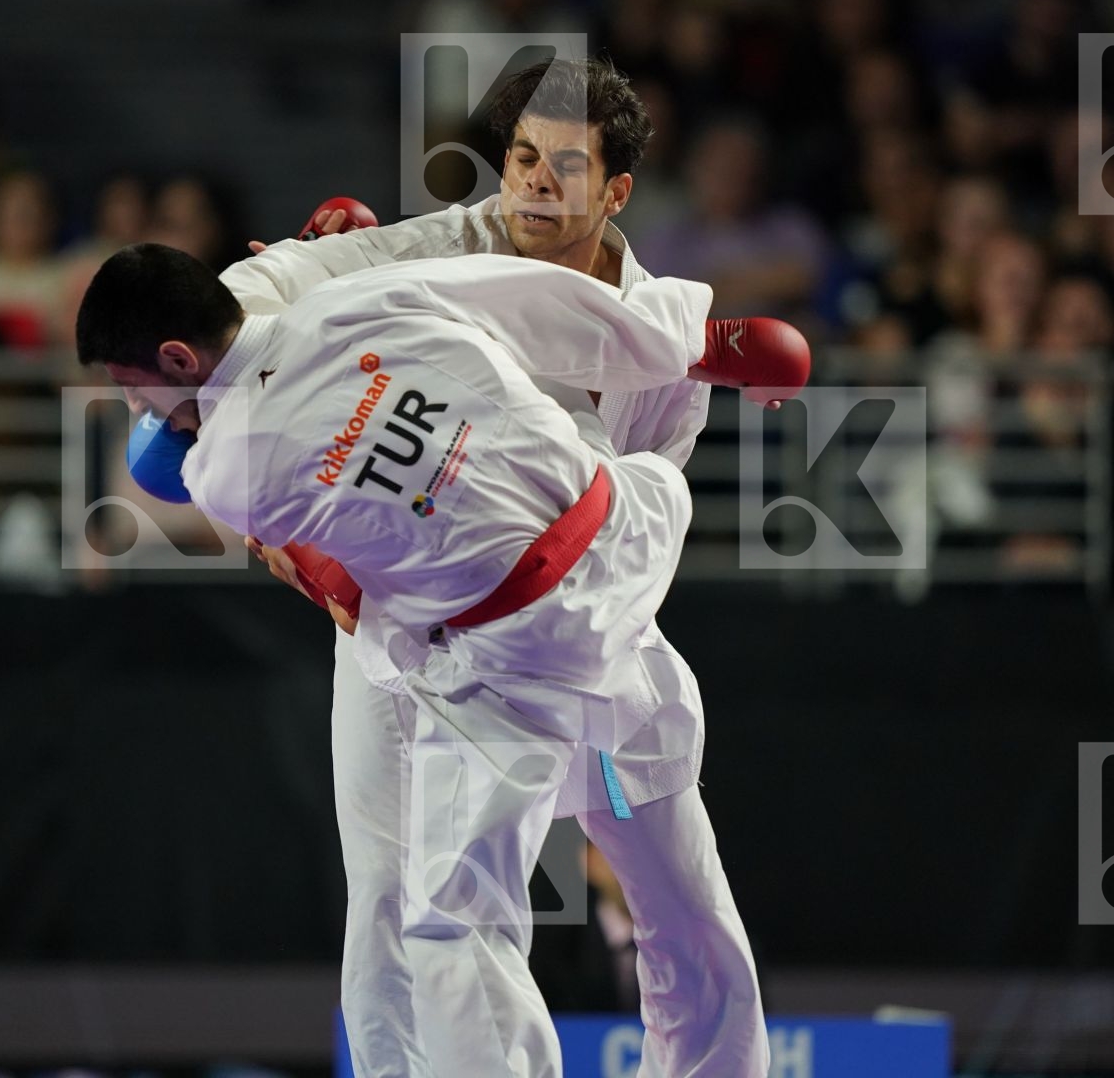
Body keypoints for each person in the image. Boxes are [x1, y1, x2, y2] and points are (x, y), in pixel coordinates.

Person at [76, 240, 802, 1077]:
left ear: (176, 357)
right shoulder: (360, 299)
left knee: (451, 919)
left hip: (519, 658)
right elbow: (526, 296)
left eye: (136, 390)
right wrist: (683, 342)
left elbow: (346, 594)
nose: (142, 412)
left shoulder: (227, 468)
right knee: (678, 879)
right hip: (623, 532)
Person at [218, 58, 770, 1076]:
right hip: (405, 624)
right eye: (519, 159)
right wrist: (260, 291)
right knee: (392, 893)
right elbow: (270, 297)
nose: (532, 186)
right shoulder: (443, 250)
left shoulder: (658, 334)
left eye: (564, 167)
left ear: (616, 192)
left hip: (579, 620)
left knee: (676, 884)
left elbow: (643, 505)